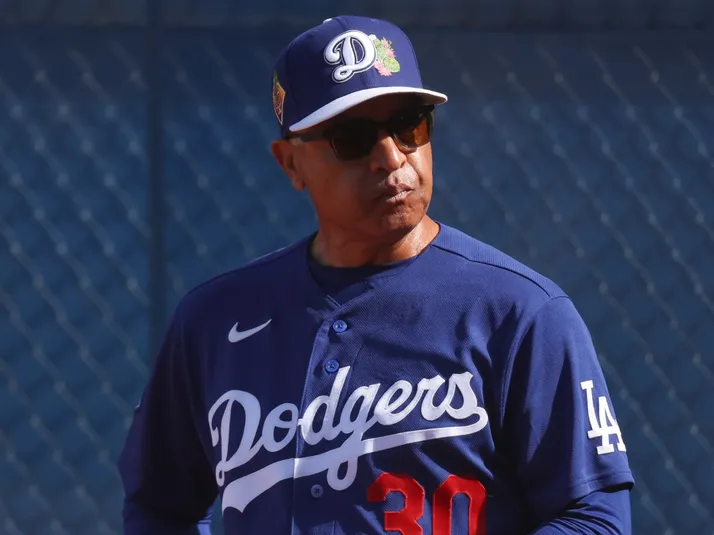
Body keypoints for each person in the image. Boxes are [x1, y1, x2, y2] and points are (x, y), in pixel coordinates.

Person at [118, 15, 635, 535]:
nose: (391, 157)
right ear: (290, 163)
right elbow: (159, 507)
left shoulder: (520, 314)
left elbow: (594, 518)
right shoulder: (213, 321)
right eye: (353, 138)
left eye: (410, 124)